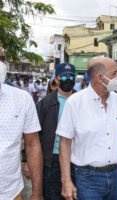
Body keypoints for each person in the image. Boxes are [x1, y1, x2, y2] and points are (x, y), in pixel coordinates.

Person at [57, 57, 117, 200]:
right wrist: (66, 181)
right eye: (115, 73)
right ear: (100, 77)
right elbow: (64, 142)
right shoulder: (75, 103)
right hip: (88, 178)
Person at [23, 63, 77, 200]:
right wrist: (26, 160)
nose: (68, 80)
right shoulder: (44, 103)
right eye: (64, 77)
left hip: (77, 159)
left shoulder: (82, 101)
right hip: (52, 160)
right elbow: (33, 134)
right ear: (56, 79)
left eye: (71, 77)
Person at [0, 61, 43, 200]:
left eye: (2, 58)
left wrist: (37, 194)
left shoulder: (22, 99)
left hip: (10, 192)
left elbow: (32, 145)